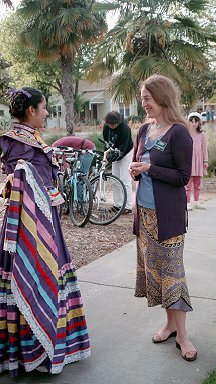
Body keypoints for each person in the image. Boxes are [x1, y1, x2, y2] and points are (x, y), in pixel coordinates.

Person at [0, 87, 91, 376]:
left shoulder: (29, 140)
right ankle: (35, 353)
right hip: (31, 229)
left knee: (50, 273)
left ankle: (44, 345)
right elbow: (22, 183)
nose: (47, 113)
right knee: (37, 275)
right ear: (31, 111)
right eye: (44, 108)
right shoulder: (17, 143)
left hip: (43, 222)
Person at [129, 75, 197, 362]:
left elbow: (182, 177)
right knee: (156, 274)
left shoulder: (179, 133)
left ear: (163, 97)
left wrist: (149, 168)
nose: (143, 103)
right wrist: (136, 171)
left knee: (173, 275)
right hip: (144, 216)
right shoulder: (144, 130)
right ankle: (169, 325)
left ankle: (183, 336)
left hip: (167, 217)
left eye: (148, 98)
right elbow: (139, 165)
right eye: (142, 98)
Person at [103, 111, 133, 214]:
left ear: (118, 122)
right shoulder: (106, 127)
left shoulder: (125, 129)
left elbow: (124, 146)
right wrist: (108, 154)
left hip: (126, 152)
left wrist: (116, 156)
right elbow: (106, 141)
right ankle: (117, 204)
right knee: (115, 179)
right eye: (110, 124)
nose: (112, 126)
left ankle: (128, 206)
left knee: (125, 179)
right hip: (115, 151)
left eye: (114, 124)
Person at [185, 112, 208, 210]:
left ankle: (197, 202)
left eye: (196, 121)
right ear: (189, 122)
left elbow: (204, 149)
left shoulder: (202, 135)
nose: (193, 123)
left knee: (197, 183)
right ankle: (187, 203)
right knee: (188, 184)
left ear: (199, 123)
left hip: (198, 161)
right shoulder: (186, 134)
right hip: (189, 161)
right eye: (191, 121)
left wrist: (205, 161)